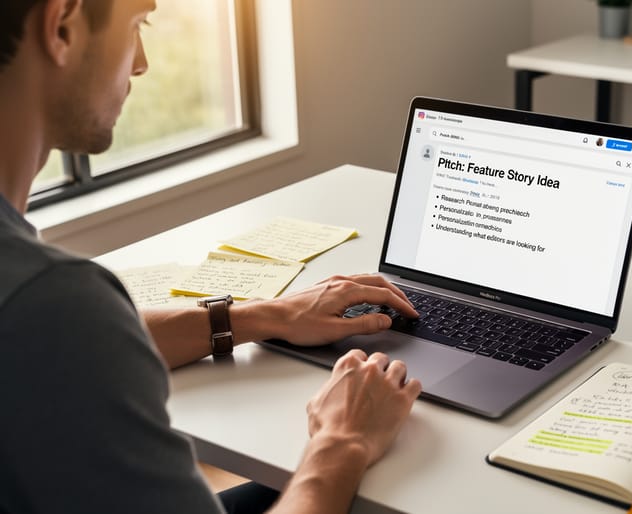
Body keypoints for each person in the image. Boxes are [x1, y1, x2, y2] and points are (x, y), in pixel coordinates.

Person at [0, 1, 422, 513]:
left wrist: (266, 314)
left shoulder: (41, 305)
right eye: (137, 25)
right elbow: (63, 332)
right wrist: (342, 441)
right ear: (60, 24)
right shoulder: (52, 302)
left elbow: (63, 344)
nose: (141, 62)